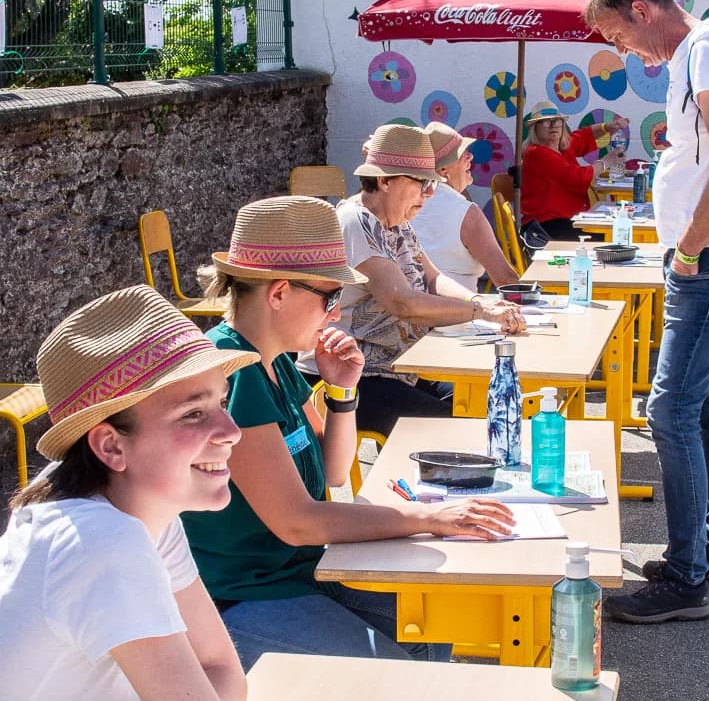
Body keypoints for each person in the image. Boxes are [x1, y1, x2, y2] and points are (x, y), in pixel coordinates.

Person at [0, 286, 259, 701]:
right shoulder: (103, 542)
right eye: (193, 413)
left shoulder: (132, 511)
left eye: (221, 408)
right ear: (111, 446)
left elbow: (223, 674)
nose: (229, 433)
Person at [183, 195, 515, 671]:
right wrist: (429, 518)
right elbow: (299, 521)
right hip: (238, 599)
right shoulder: (233, 373)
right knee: (397, 675)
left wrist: (342, 392)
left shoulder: (273, 361)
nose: (336, 313)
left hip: (296, 576)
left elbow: (333, 472)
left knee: (436, 629)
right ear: (278, 293)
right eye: (329, 297)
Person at [584, 0, 709, 622]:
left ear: (640, 10)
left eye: (614, 34)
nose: (619, 51)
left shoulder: (706, 49)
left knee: (669, 411)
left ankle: (686, 579)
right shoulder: (701, 52)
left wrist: (688, 246)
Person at [300, 124, 524, 437]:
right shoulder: (357, 220)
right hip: (347, 376)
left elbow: (433, 278)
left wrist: (479, 301)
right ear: (383, 181)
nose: (430, 193)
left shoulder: (397, 221)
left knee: (483, 402)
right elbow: (403, 302)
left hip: (397, 369)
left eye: (432, 183)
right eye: (421, 183)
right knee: (462, 430)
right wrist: (482, 313)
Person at [411, 122, 519, 290]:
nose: (470, 157)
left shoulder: (405, 204)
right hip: (458, 312)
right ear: (443, 169)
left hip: (410, 309)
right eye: (462, 153)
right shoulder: (466, 213)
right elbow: (506, 280)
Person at [520, 101, 628, 238]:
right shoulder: (537, 153)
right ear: (535, 128)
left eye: (557, 121)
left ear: (562, 125)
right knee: (610, 236)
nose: (553, 126)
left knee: (612, 231)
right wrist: (606, 162)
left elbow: (583, 136)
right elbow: (578, 177)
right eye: (546, 122)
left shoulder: (560, 148)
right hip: (545, 226)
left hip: (565, 221)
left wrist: (607, 127)